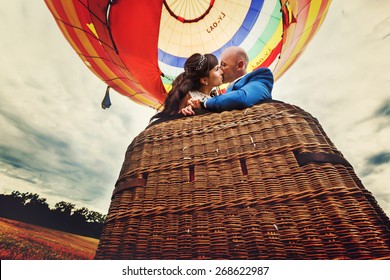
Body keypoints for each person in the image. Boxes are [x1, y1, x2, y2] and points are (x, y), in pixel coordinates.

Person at [181, 46, 274, 115]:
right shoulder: (223, 95)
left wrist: (203, 103)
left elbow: (242, 98)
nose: (220, 70)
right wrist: (195, 109)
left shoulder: (262, 75)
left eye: (223, 65)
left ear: (240, 66)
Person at [151, 53, 223, 121]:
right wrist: (184, 112)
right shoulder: (188, 96)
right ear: (204, 80)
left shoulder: (214, 97)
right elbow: (176, 121)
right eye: (217, 69)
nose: (221, 71)